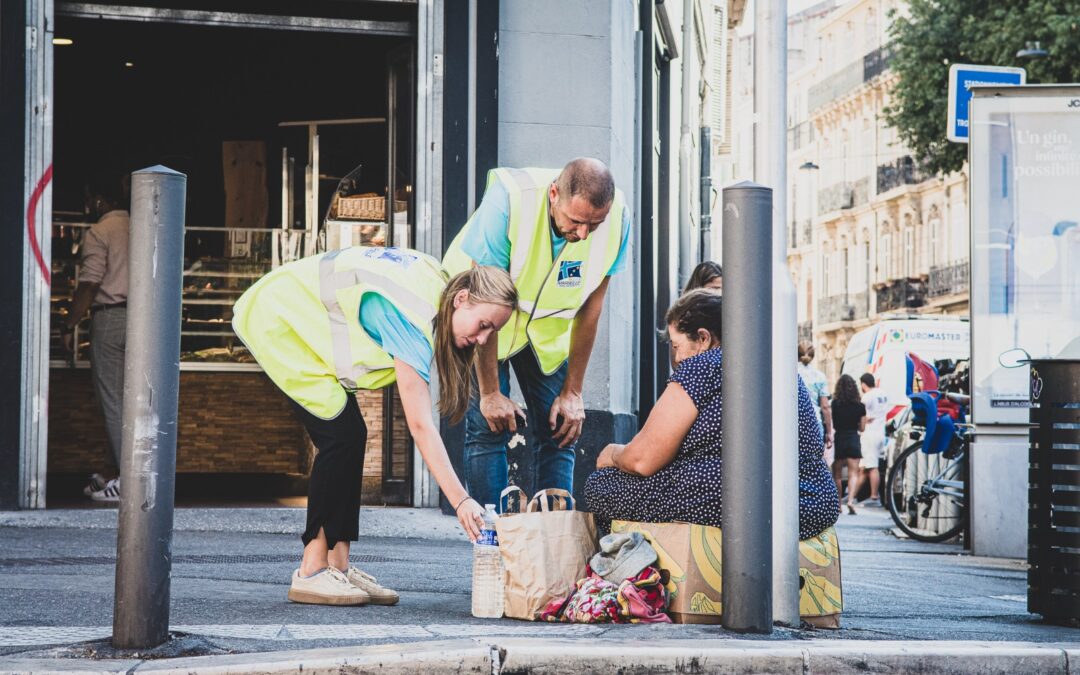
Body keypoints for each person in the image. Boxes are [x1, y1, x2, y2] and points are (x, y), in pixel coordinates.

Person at [232, 247, 517, 606]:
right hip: (278, 321)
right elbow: (420, 425)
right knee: (340, 437)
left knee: (351, 435)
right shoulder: (413, 318)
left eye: (493, 332)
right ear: (462, 300)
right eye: (484, 326)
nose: (483, 340)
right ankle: (311, 570)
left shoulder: (439, 290)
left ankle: (338, 566)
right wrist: (460, 501)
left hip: (292, 316)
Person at [442, 158, 631, 508]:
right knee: (488, 426)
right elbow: (485, 298)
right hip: (484, 321)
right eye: (576, 221)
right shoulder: (508, 202)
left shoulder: (619, 218)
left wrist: (573, 392)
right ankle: (493, 546)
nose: (584, 234)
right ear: (554, 194)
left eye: (595, 223)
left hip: (543, 331)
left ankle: (550, 545)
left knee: (563, 428)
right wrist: (490, 394)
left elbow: (591, 309)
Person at [583, 290, 839, 540]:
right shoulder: (777, 365)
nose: (676, 358)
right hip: (813, 501)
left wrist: (613, 455)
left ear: (703, 338)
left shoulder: (703, 365)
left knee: (602, 485)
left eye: (677, 345)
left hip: (735, 497)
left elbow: (643, 459)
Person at [61, 176, 130, 503]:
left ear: (100, 201)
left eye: (89, 200)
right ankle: (113, 471)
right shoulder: (142, 226)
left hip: (111, 316)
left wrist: (69, 323)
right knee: (131, 402)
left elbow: (89, 284)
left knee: (113, 402)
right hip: (145, 321)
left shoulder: (99, 232)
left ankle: (128, 480)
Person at [830, 374, 866, 514]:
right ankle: (850, 501)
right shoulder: (860, 406)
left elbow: (832, 422)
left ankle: (838, 504)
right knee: (853, 473)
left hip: (839, 438)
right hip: (853, 438)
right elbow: (862, 428)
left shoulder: (835, 404)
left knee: (837, 475)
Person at [797, 341, 834, 464]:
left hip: (793, 422)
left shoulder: (790, 374)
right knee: (814, 462)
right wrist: (829, 432)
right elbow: (825, 406)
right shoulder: (819, 376)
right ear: (813, 356)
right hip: (814, 423)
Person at [859, 372, 890, 506]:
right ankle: (853, 495)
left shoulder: (867, 396)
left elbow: (861, 415)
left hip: (870, 434)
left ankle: (873, 496)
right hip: (880, 432)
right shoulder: (882, 393)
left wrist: (864, 419)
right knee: (864, 467)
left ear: (864, 385)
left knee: (872, 467)